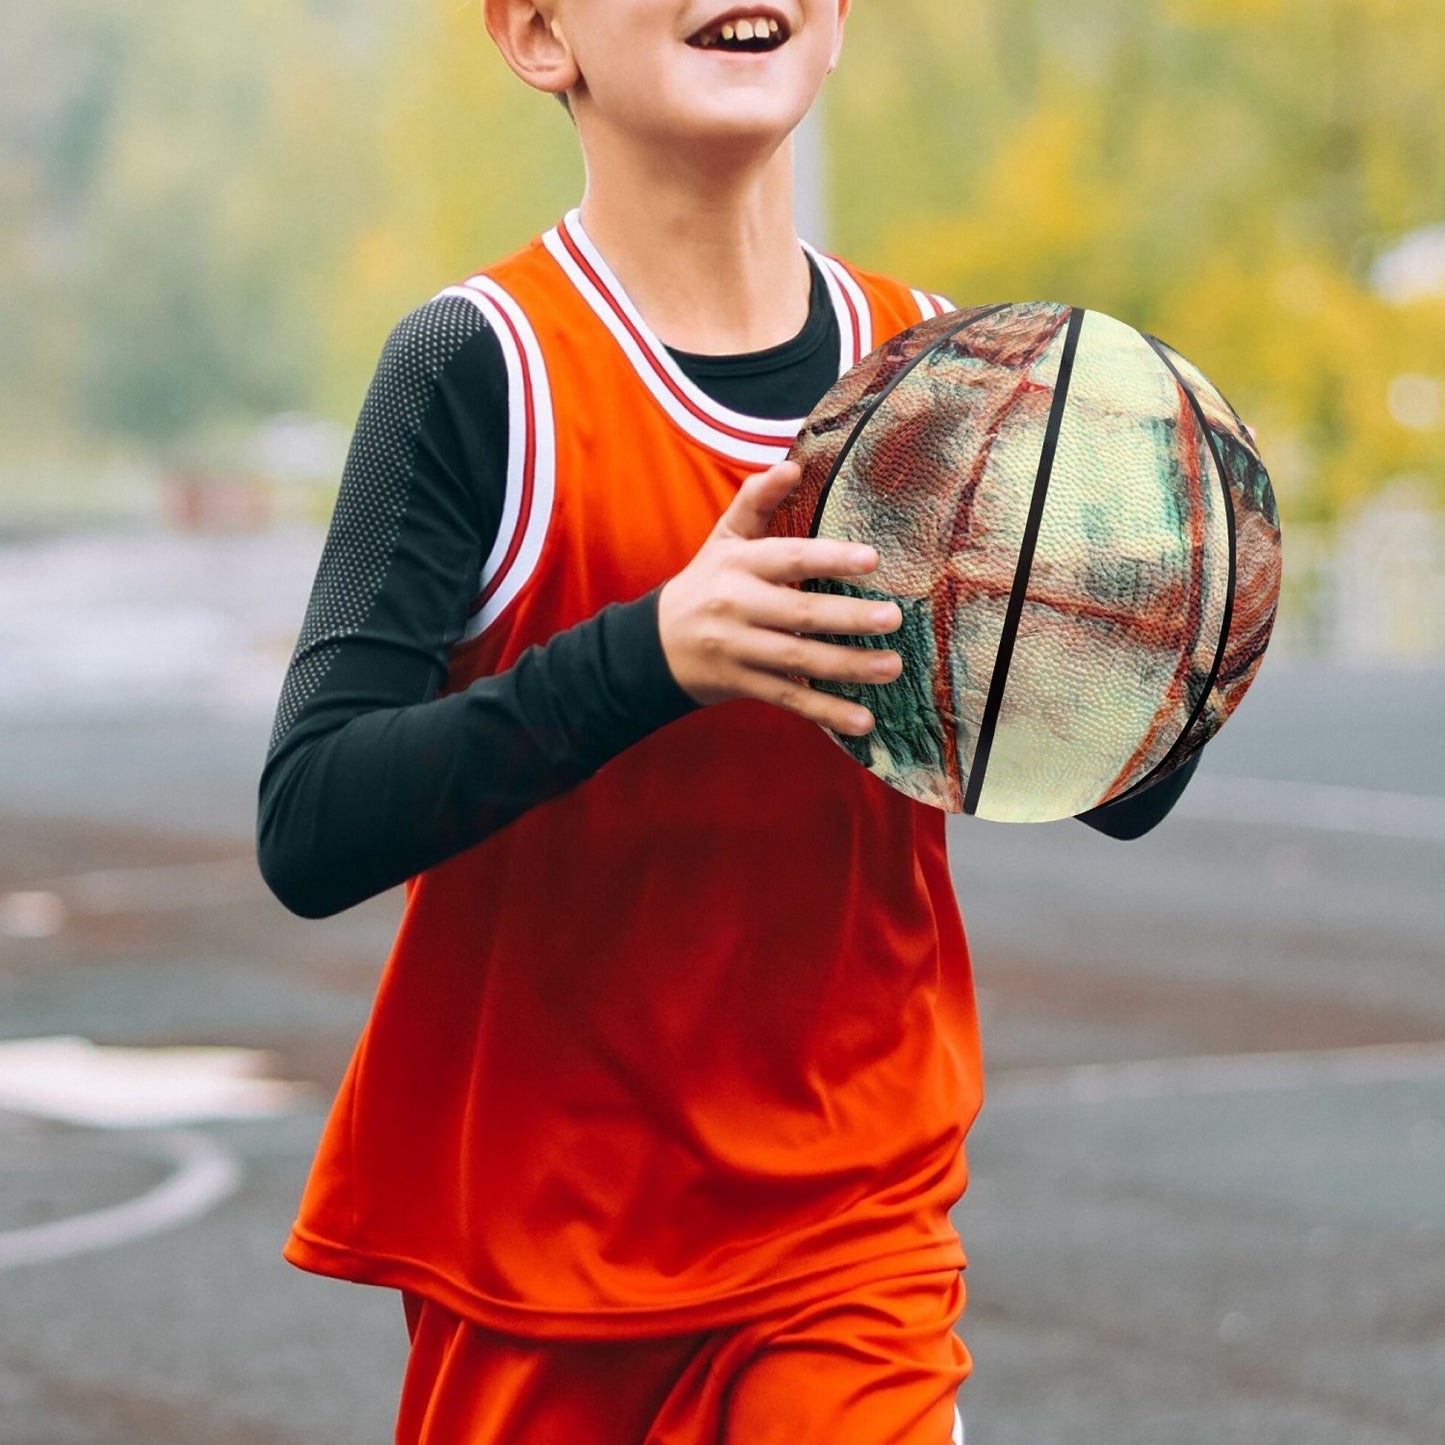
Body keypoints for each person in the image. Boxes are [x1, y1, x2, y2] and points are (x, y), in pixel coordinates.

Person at [257, 2, 1198, 1440]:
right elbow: (310, 821)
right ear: (533, 35)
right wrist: (650, 654)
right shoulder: (480, 367)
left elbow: (1114, 785)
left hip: (848, 1223)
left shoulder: (950, 384)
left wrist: (1161, 635)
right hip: (540, 1243)